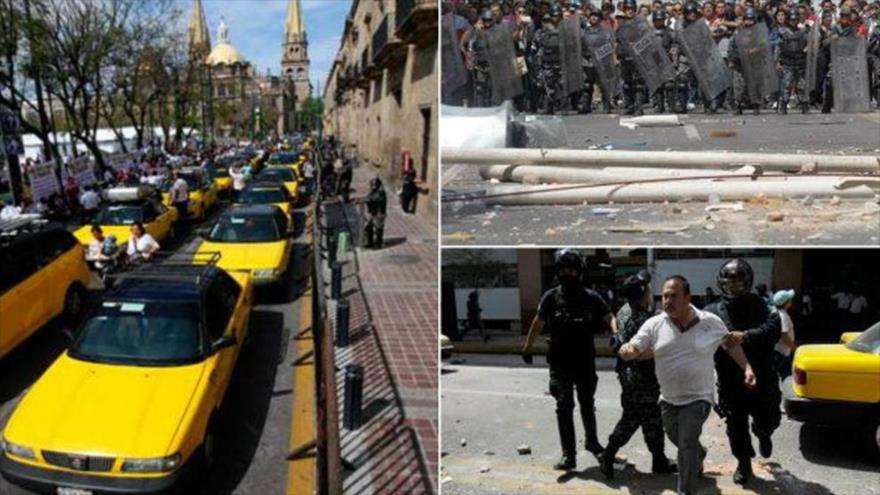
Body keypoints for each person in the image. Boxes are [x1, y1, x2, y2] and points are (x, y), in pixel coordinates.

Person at [619, 275, 756, 495]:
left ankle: (686, 491)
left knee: (685, 444)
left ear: (687, 297)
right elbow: (636, 345)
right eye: (664, 296)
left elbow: (730, 345)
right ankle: (698, 454)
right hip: (668, 398)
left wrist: (747, 368)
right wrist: (628, 351)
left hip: (698, 397)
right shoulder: (655, 324)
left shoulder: (710, 321)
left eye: (673, 296)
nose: (667, 301)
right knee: (679, 439)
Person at [521, 249, 617, 471]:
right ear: (558, 271)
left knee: (586, 404)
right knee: (564, 407)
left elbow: (608, 316)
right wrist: (527, 347)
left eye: (572, 269)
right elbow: (538, 322)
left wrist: (615, 332)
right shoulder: (551, 297)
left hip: (584, 361)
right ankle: (568, 455)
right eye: (564, 269)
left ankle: (592, 442)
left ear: (580, 271)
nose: (568, 273)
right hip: (559, 363)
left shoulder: (591, 297)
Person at [704, 259, 782, 485]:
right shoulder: (712, 312)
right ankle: (744, 463)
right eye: (730, 285)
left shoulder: (763, 305)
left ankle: (763, 433)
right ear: (721, 284)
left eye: (739, 285)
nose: (734, 289)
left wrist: (746, 335)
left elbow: (774, 330)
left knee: (768, 420)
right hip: (730, 382)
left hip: (763, 378)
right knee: (735, 427)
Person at [599, 271, 677, 480]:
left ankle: (658, 459)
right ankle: (608, 455)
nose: (651, 293)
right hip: (641, 378)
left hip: (629, 377)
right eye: (649, 290)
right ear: (643, 294)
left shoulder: (625, 310)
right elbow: (640, 354)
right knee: (637, 419)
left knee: (646, 420)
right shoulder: (642, 319)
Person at [775, 8, 810, 114]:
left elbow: (810, 43)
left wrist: (807, 48)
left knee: (801, 85)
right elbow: (778, 48)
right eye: (791, 20)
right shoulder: (783, 33)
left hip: (800, 62)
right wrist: (777, 61)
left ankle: (804, 104)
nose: (793, 22)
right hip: (787, 62)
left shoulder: (802, 32)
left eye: (795, 20)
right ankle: (784, 105)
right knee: (786, 84)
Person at [771, 289, 797, 381]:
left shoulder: (774, 311)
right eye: (790, 300)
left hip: (776, 350)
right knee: (785, 376)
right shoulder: (783, 316)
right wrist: (794, 348)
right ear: (786, 303)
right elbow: (784, 335)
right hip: (782, 353)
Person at [363, 176, 387, 249]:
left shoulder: (381, 192)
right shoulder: (373, 191)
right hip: (373, 213)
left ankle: (378, 244)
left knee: (378, 229)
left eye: (374, 185)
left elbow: (375, 199)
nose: (373, 186)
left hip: (379, 213)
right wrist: (362, 199)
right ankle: (370, 242)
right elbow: (368, 197)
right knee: (368, 228)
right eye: (372, 185)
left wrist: (367, 200)